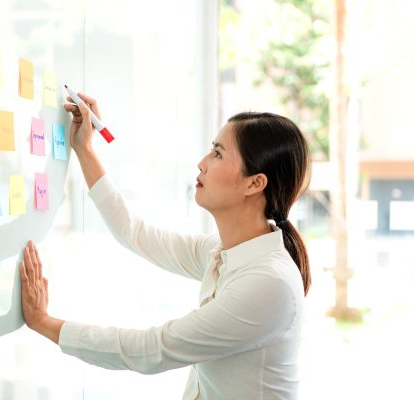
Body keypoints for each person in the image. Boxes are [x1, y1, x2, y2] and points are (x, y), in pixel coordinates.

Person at [19, 92, 311, 400]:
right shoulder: (223, 253)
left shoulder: (268, 283)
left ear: (255, 183)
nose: (202, 163)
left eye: (218, 154)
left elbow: (152, 349)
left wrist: (44, 323)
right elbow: (134, 232)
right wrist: (85, 149)